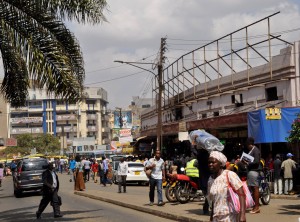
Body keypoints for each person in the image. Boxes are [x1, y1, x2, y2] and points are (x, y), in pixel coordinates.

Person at [207, 151, 246, 222]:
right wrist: (211, 217)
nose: (210, 164)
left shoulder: (229, 175)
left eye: (213, 162)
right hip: (216, 217)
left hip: (229, 216)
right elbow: (214, 200)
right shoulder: (210, 180)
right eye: (209, 162)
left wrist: (242, 214)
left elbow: (242, 194)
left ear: (221, 164)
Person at [243, 137, 261, 214]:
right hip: (251, 172)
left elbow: (256, 162)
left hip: (254, 172)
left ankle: (257, 207)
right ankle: (255, 206)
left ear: (249, 144)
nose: (246, 146)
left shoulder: (255, 150)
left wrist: (248, 163)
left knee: (255, 188)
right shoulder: (252, 150)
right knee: (253, 190)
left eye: (247, 144)